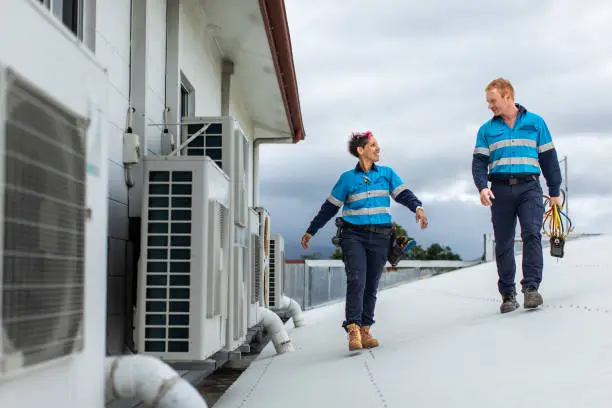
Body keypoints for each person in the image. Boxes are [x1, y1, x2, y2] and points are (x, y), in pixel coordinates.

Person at [301, 131, 428, 351]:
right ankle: (353, 329)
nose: (378, 149)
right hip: (353, 236)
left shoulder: (387, 174)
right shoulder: (347, 179)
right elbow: (330, 207)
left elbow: (404, 194)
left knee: (371, 283)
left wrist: (417, 207)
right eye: (373, 145)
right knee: (357, 279)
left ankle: (366, 329)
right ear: (361, 150)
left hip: (381, 236)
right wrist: (311, 230)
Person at [472, 78, 563, 314]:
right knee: (503, 242)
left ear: (508, 97)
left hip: (529, 187)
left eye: (493, 101)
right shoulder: (486, 130)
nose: (490, 106)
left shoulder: (536, 123)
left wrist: (554, 192)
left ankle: (531, 288)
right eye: (488, 102)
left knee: (532, 233)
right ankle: (508, 294)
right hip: (499, 190)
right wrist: (482, 187)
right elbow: (479, 164)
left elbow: (549, 160)